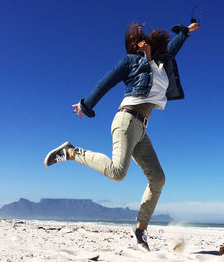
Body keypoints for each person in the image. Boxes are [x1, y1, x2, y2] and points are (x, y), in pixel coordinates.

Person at [44, 21, 200, 251]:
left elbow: (172, 49)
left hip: (141, 128)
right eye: (139, 41)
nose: (144, 42)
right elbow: (106, 82)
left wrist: (186, 32)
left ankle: (141, 230)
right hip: (126, 120)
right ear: (135, 47)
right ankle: (70, 152)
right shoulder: (130, 62)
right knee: (118, 173)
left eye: (145, 39)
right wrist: (86, 104)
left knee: (158, 179)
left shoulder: (160, 61)